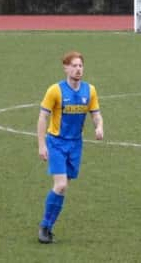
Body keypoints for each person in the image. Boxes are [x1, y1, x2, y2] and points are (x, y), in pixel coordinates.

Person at [36, 51, 104, 244]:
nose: (78, 69)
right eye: (73, 65)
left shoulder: (89, 90)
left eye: (80, 65)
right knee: (61, 185)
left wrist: (99, 126)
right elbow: (43, 117)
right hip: (56, 142)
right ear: (65, 68)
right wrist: (42, 145)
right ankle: (44, 227)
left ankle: (48, 227)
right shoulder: (55, 90)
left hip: (76, 144)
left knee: (63, 189)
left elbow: (96, 114)